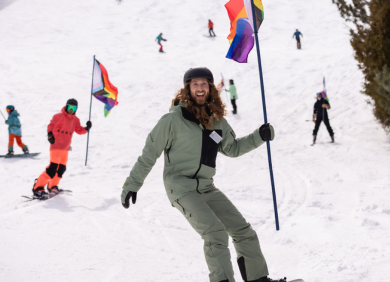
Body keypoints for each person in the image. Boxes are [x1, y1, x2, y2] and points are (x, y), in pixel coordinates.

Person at [121, 67, 285, 282]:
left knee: (243, 231)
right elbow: (149, 154)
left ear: (210, 88)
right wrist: (132, 185)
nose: (200, 88)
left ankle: (258, 279)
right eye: (195, 84)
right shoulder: (172, 121)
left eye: (204, 84)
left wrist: (259, 136)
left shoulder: (217, 121)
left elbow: (232, 149)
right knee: (215, 234)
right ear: (187, 89)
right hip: (180, 187)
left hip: (206, 186)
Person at [32, 99, 92, 200]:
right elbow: (51, 125)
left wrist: (86, 128)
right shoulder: (58, 116)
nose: (71, 110)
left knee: (61, 169)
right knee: (52, 169)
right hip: (56, 146)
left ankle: (52, 187)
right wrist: (50, 135)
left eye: (74, 108)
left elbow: (79, 130)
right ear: (66, 107)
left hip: (65, 148)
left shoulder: (75, 120)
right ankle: (38, 188)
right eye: (69, 107)